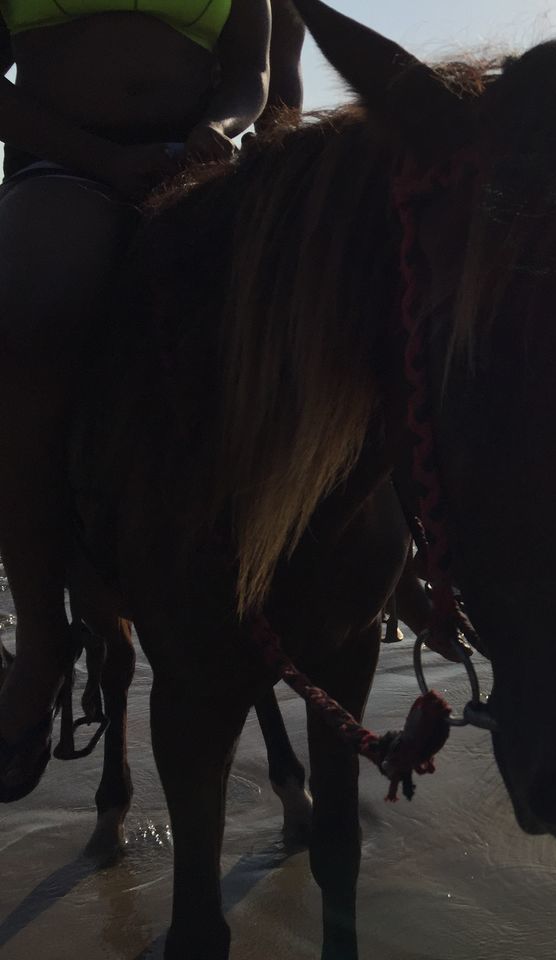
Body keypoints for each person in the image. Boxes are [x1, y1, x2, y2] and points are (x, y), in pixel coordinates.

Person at [0, 1, 273, 800]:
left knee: (312, 310)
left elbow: (248, 72)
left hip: (194, 170)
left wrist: (218, 130)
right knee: (27, 315)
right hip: (62, 170)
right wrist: (97, 157)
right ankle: (45, 636)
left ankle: (399, 569)